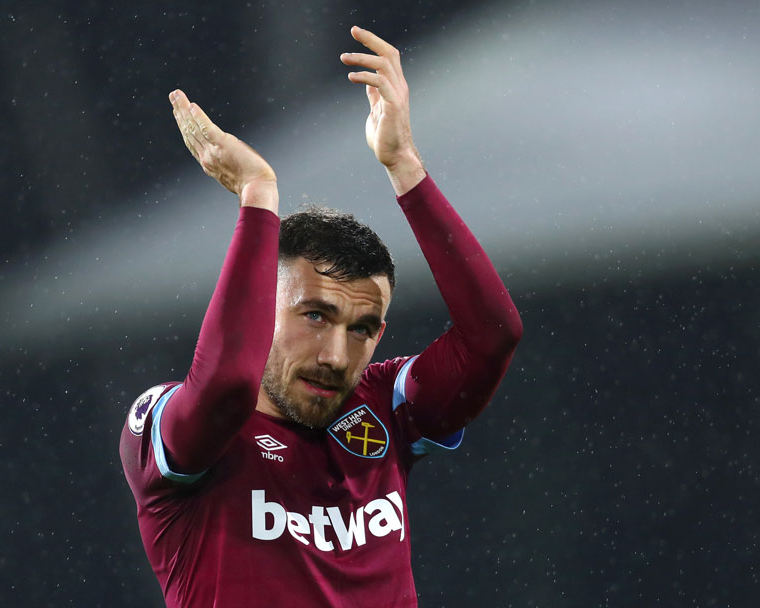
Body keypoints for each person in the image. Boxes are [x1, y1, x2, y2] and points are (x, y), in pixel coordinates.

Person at [120, 25, 522, 607]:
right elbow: (230, 382)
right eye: (315, 315)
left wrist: (404, 163)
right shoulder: (175, 428)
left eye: (361, 329)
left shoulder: (387, 409)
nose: (337, 355)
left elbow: (494, 336)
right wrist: (256, 193)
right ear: (265, 309)